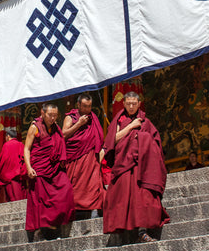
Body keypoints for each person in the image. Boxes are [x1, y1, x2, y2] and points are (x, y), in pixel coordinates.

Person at [102, 92, 170, 243]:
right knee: (120, 197)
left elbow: (156, 143)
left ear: (139, 104)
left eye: (134, 103)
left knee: (142, 198)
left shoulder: (146, 122)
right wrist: (132, 127)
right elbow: (112, 140)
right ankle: (120, 231)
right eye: (128, 104)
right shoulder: (120, 120)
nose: (131, 106)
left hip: (142, 166)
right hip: (124, 164)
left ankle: (142, 231)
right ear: (124, 104)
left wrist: (142, 139)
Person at [23, 103, 75, 240]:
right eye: (50, 115)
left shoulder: (56, 128)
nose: (53, 118)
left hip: (55, 168)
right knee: (41, 201)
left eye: (55, 115)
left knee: (66, 189)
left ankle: (56, 225)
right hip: (40, 169)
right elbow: (27, 148)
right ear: (43, 113)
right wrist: (29, 167)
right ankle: (44, 230)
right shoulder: (35, 127)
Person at [62, 94, 106, 218]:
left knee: (93, 186)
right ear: (79, 105)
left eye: (89, 106)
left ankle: (94, 211)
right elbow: (63, 135)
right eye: (85, 106)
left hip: (91, 161)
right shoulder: (71, 118)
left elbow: (99, 139)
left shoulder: (93, 118)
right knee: (76, 188)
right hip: (75, 161)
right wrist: (79, 124)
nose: (87, 109)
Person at [0, 129, 27, 204]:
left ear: (8, 136)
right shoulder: (21, 145)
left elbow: (2, 161)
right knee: (21, 197)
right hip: (19, 176)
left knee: (12, 199)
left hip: (9, 177)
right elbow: (25, 160)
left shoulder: (6, 145)